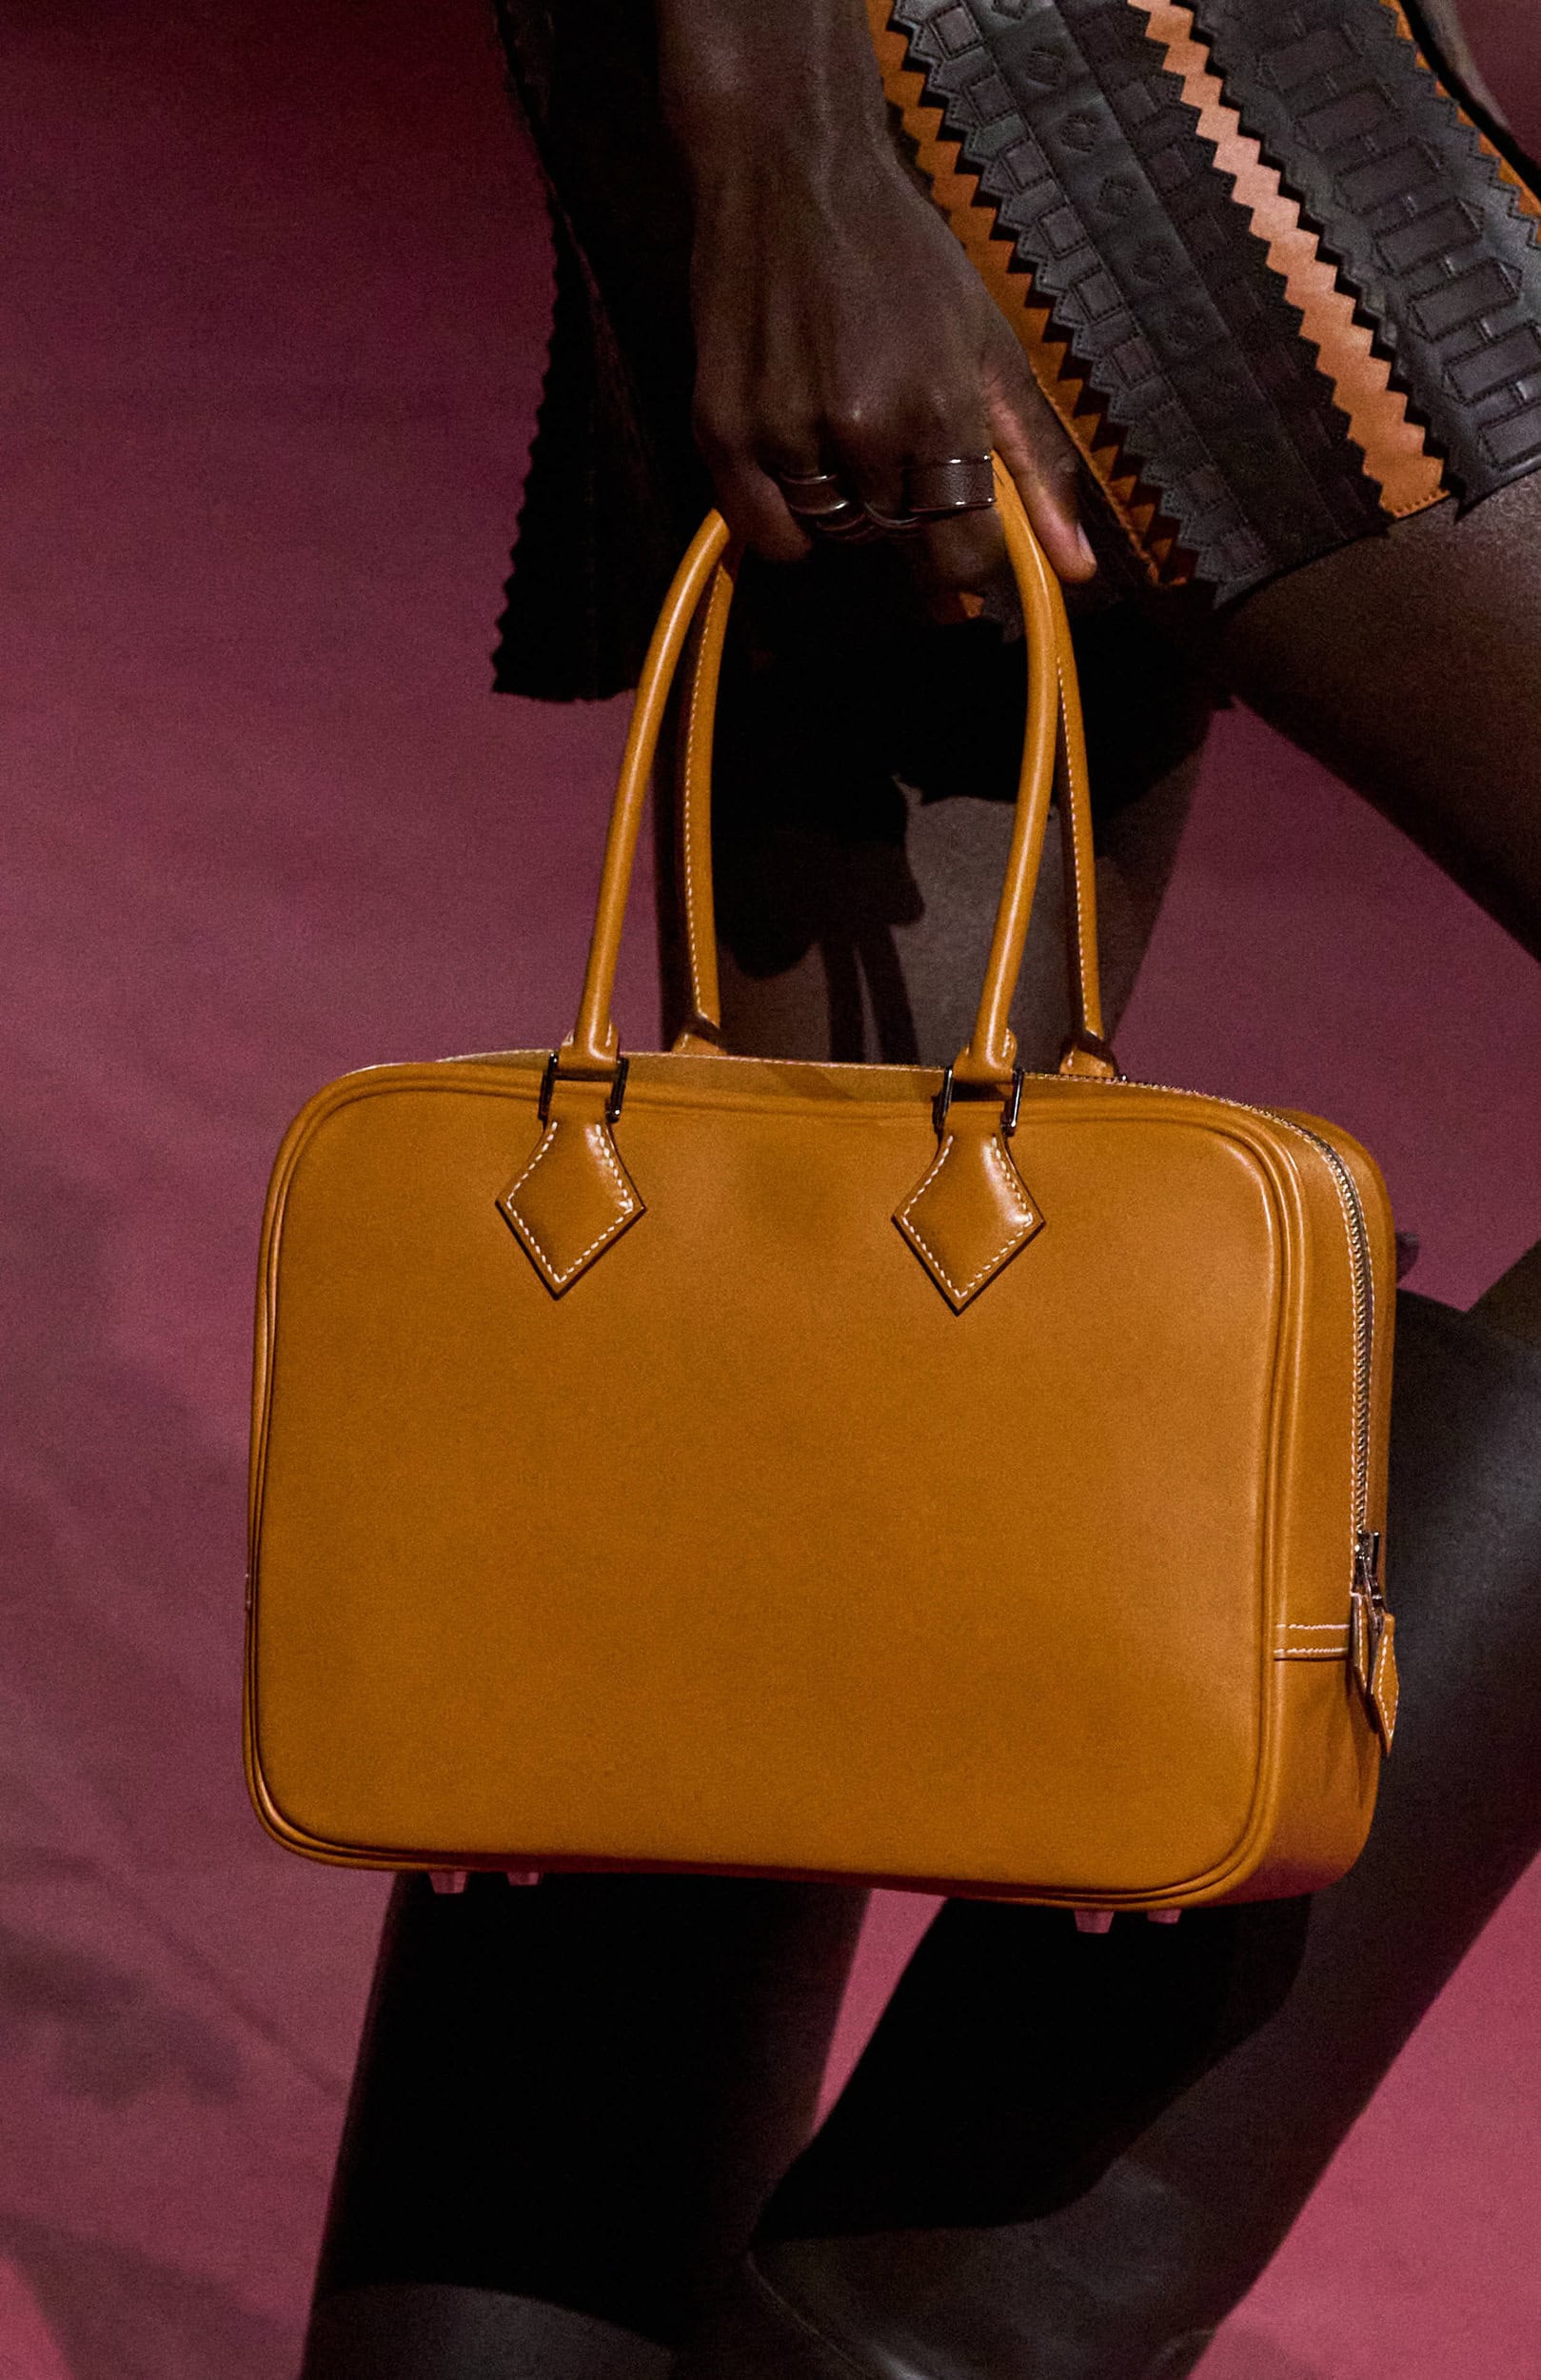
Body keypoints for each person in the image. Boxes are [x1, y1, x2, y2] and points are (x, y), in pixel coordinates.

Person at [299, 4, 1541, 2374]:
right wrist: (780, 139)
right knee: (793, 1309)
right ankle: (941, 2321)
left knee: (792, 1343)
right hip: (1018, 53)